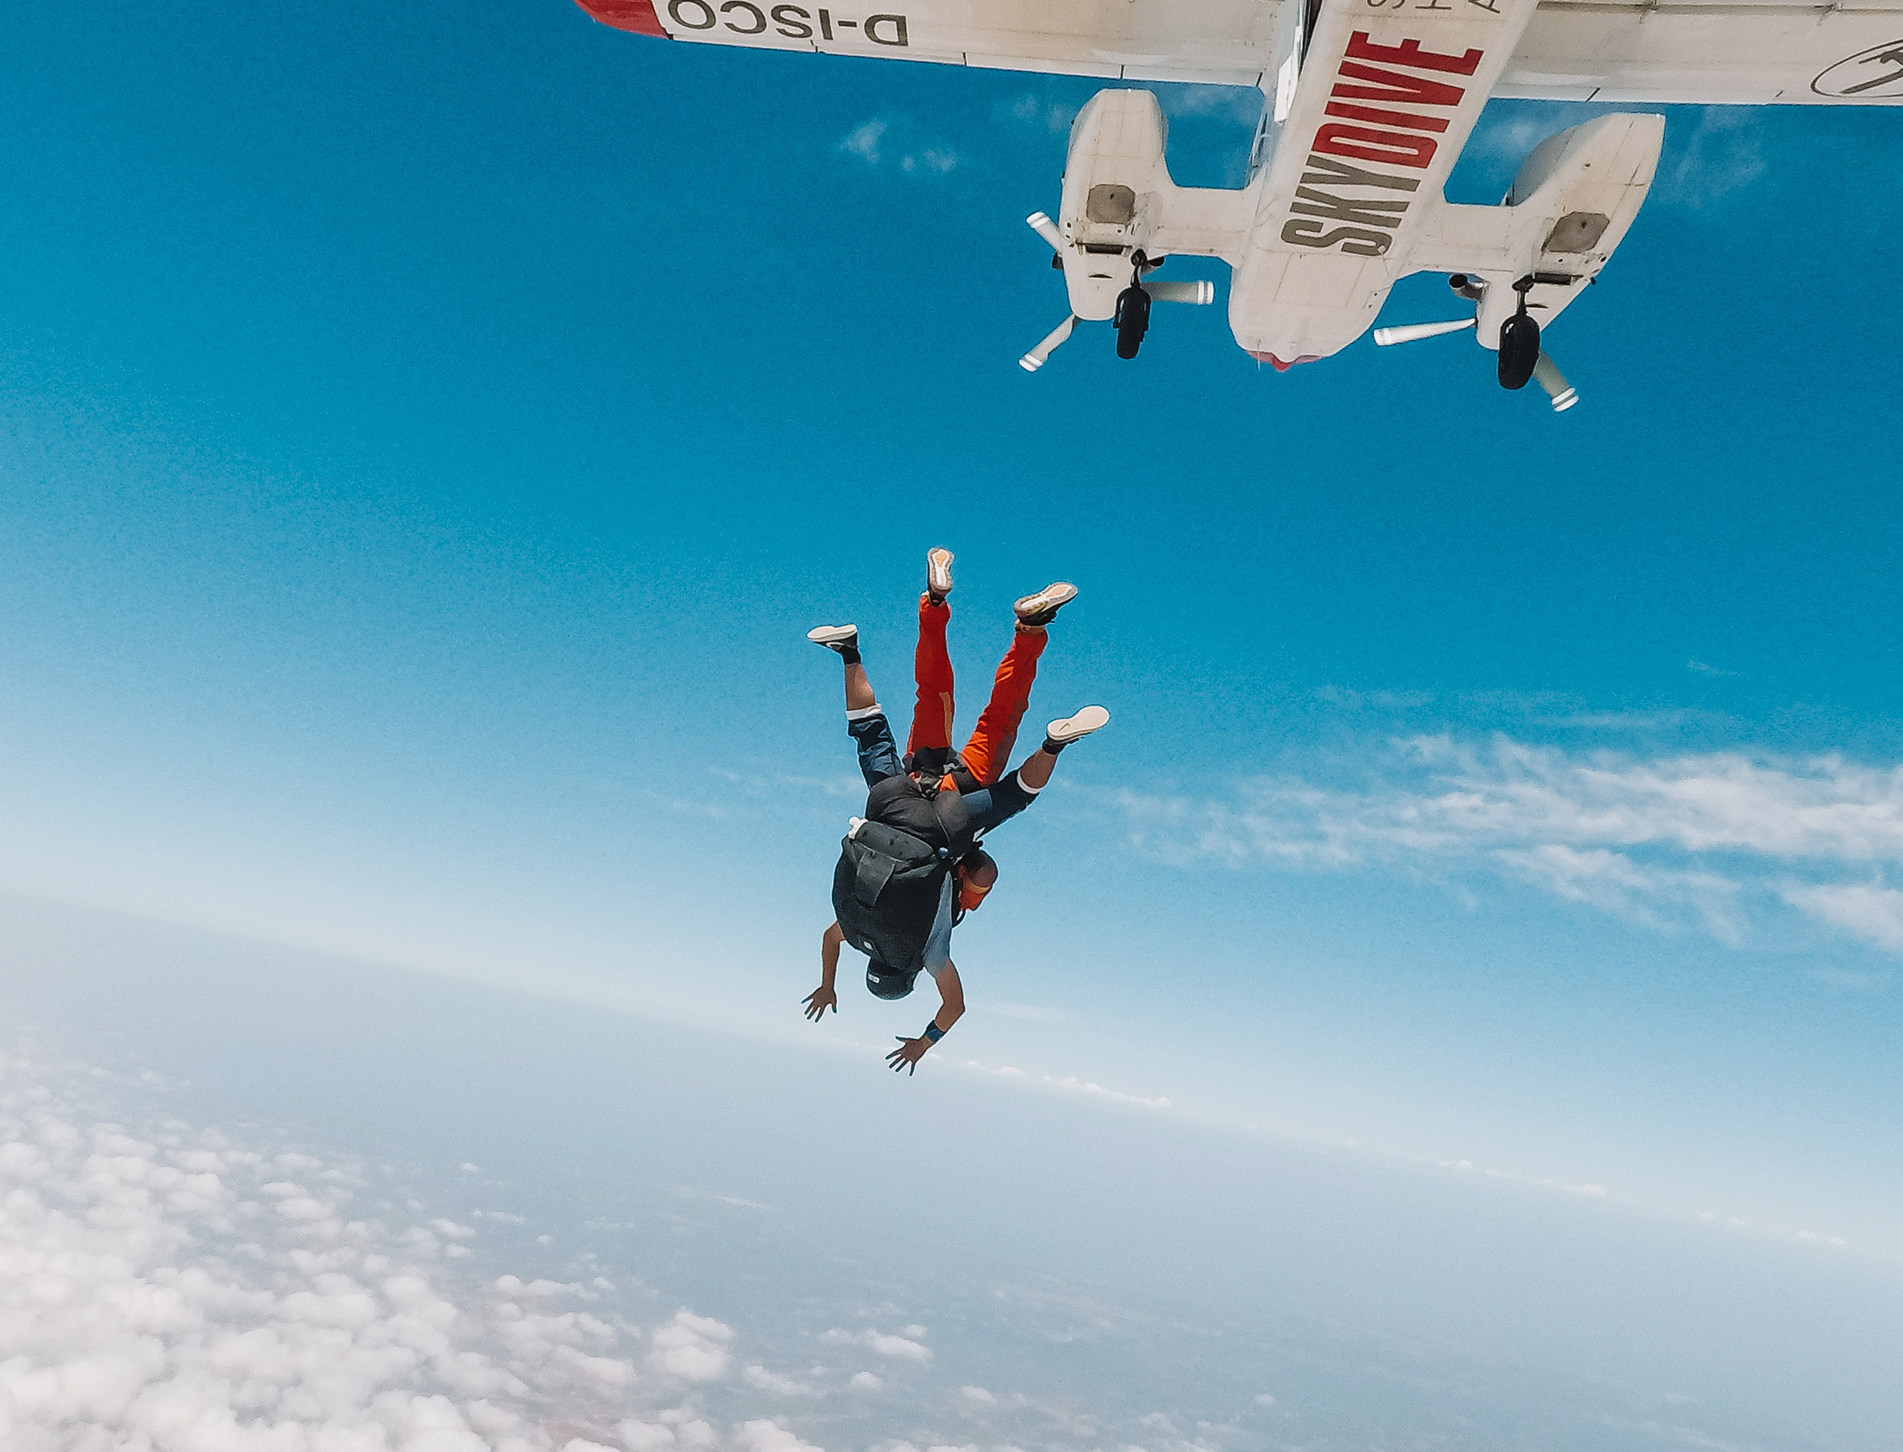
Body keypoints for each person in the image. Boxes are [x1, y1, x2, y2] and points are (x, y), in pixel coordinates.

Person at [802, 548, 1109, 1073]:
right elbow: (827, 942)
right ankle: (875, 635)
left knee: (1010, 763)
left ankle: (1044, 698)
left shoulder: (929, 957)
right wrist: (827, 985)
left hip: (953, 813)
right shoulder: (852, 931)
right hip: (895, 794)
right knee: (904, 709)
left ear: (906, 977)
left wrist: (924, 1042)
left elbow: (955, 1007)